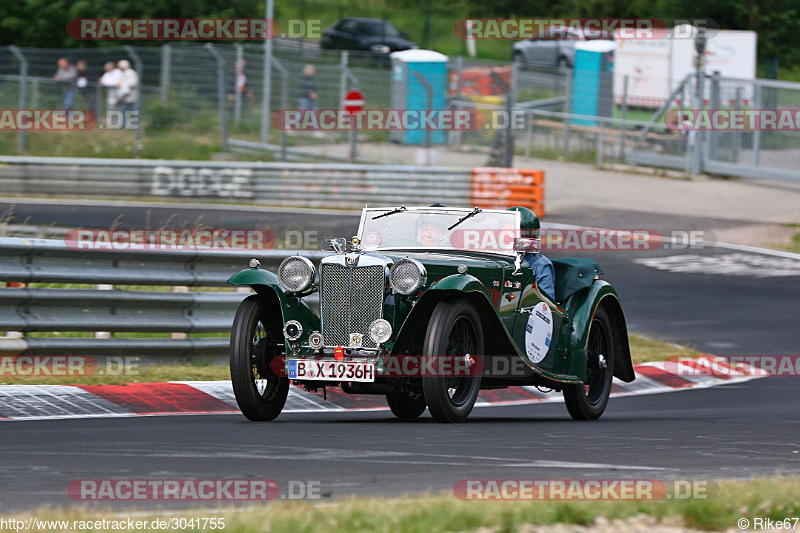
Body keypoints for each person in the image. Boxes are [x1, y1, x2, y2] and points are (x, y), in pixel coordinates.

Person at [507, 206, 555, 300]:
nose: (508, 236)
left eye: (514, 232)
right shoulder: (489, 260)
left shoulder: (540, 265)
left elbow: (545, 305)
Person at [116, 59, 138, 127]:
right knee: (123, 111)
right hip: (124, 96)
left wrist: (123, 84)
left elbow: (134, 82)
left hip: (132, 96)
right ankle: (123, 125)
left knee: (133, 111)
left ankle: (134, 124)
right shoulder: (121, 73)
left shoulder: (131, 73)